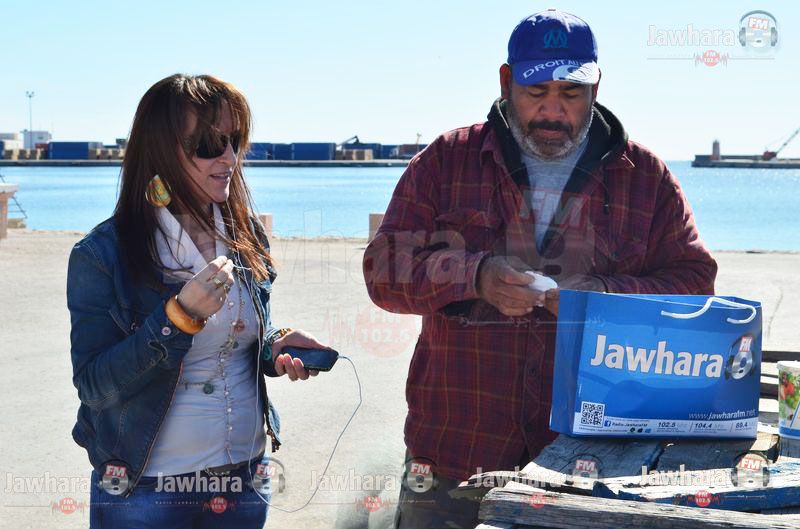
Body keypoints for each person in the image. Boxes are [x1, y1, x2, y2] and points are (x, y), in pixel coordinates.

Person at [363, 9, 717, 528]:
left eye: (571, 93)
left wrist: (598, 296)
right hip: (452, 458)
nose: (553, 111)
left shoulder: (646, 178)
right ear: (506, 81)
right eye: (536, 92)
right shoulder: (445, 161)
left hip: (595, 465)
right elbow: (383, 270)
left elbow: (694, 287)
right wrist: (475, 276)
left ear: (596, 87)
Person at [66, 73, 330, 528]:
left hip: (243, 477)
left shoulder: (246, 235)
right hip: (146, 485)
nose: (229, 158)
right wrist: (179, 317)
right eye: (209, 144)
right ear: (161, 151)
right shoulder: (102, 254)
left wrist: (275, 347)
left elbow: (237, 338)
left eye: (235, 141)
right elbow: (95, 386)